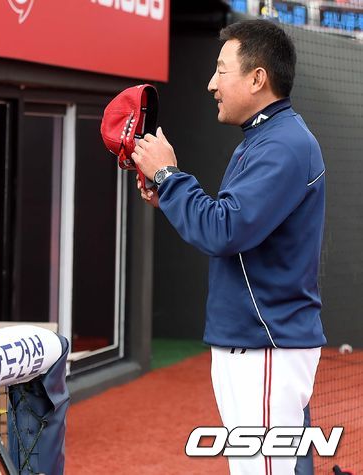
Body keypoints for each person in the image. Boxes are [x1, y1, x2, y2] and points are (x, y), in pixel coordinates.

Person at [132, 20, 326, 474]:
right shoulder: (268, 138)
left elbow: (224, 230)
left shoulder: (283, 144)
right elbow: (226, 224)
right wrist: (169, 194)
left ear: (257, 78)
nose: (211, 84)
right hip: (258, 340)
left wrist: (168, 176)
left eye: (222, 70)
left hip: (266, 341)